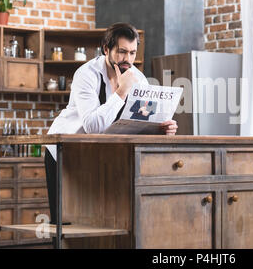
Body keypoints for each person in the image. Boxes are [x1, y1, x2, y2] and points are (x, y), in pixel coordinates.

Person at [44, 22, 178, 224]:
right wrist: (121, 91)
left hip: (101, 154)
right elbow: (92, 127)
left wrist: (161, 128)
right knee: (65, 221)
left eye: (133, 53)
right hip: (65, 152)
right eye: (122, 52)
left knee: (98, 218)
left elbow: (140, 120)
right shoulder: (86, 75)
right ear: (106, 48)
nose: (128, 60)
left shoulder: (138, 79)